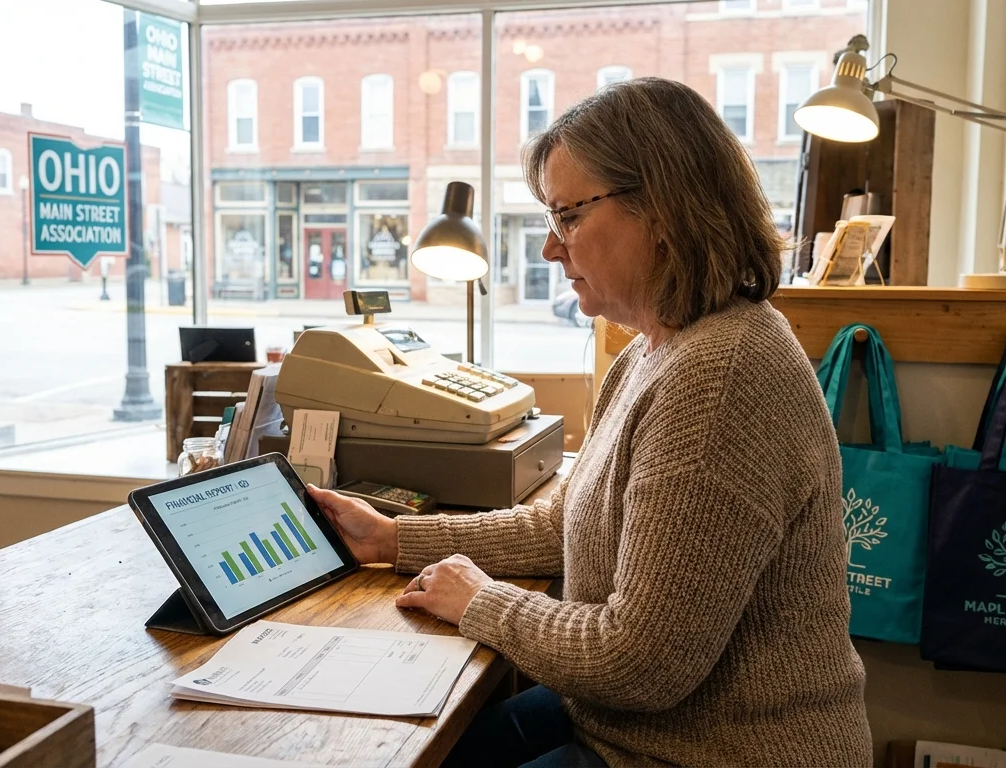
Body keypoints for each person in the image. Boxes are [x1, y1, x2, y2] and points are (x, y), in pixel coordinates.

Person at [310, 77, 871, 767]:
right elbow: (568, 525)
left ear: (664, 210)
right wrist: (395, 539)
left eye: (568, 217)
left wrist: (479, 599)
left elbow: (640, 662)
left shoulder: (720, 375)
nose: (551, 249)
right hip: (631, 730)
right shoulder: (655, 349)